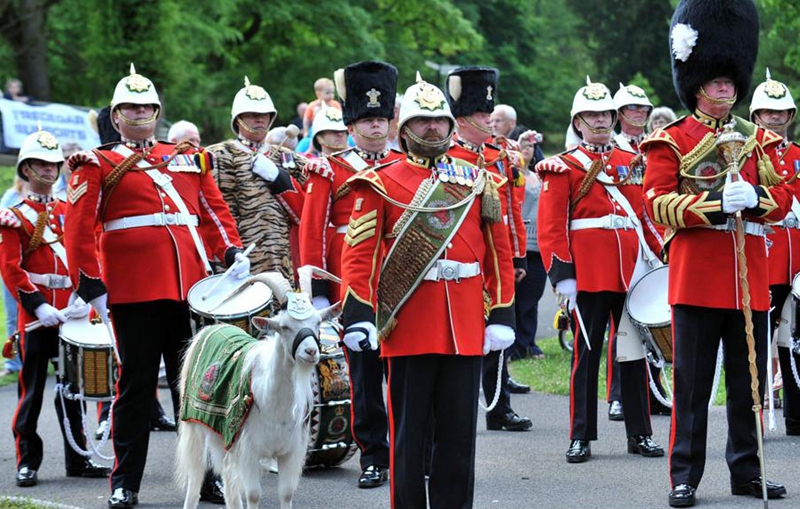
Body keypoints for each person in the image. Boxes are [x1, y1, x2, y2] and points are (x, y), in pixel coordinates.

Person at [63, 64, 249, 509]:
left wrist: (231, 252)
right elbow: (77, 228)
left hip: (188, 288)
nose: (140, 112)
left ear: (158, 110)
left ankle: (205, 479)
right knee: (137, 388)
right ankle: (124, 482)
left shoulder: (187, 156)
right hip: (132, 289)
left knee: (195, 390)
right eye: (131, 106)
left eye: (147, 105)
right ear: (116, 113)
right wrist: (91, 282)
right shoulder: (98, 162)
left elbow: (212, 211)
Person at [339, 73, 516, 509]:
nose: (433, 128)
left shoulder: (478, 180)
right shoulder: (379, 181)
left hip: (465, 324)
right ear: (405, 130)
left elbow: (499, 254)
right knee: (409, 436)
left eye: (439, 120)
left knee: (459, 438)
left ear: (451, 126)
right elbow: (358, 255)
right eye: (423, 122)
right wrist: (358, 312)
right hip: (409, 325)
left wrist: (503, 314)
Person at [642, 1, 789, 505]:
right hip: (698, 276)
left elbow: (787, 198)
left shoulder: (759, 141)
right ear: (696, 82)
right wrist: (712, 204)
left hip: (750, 274)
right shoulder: (671, 140)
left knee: (749, 386)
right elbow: (657, 203)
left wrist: (759, 200)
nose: (725, 87)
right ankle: (684, 475)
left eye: (731, 79)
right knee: (693, 388)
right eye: (716, 80)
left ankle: (747, 471)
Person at [536, 77, 663, 464]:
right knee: (586, 358)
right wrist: (563, 276)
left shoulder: (631, 163)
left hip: (630, 273)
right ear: (578, 122)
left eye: (606, 113)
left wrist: (663, 259)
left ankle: (640, 433)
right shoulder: (563, 166)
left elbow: (644, 217)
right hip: (588, 275)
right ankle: (580, 436)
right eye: (591, 114)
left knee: (633, 353)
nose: (601, 120)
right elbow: (552, 227)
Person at [300, 60, 402, 489]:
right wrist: (320, 291)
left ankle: (408, 451)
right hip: (351, 285)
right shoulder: (332, 167)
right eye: (366, 120)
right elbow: (312, 231)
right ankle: (373, 456)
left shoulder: (406, 162)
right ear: (351, 124)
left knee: (406, 376)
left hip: (402, 280)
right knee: (363, 377)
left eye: (381, 119)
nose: (375, 128)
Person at [0, 127, 110, 488]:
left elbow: (90, 253)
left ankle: (78, 458)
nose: (50, 170)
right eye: (41, 165)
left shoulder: (69, 209)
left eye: (54, 164)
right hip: (38, 316)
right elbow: (11, 269)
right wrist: (38, 305)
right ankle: (27, 462)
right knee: (31, 393)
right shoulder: (14, 215)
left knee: (73, 390)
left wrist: (82, 297)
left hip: (74, 313)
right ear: (26, 168)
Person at [445, 66, 532, 432]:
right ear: (463, 118)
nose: (489, 121)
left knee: (499, 328)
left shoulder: (500, 155)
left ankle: (499, 406)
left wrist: (518, 254)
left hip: (497, 260)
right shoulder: (449, 156)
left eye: (489, 114)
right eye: (482, 115)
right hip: (462, 261)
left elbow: (511, 211)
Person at [206, 77, 305, 283]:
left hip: (282, 253)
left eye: (264, 115)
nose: (259, 119)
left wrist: (280, 177)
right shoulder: (218, 155)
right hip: (240, 254)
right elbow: (213, 210)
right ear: (238, 119)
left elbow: (309, 207)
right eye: (252, 115)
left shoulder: (288, 157)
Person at [611, 83, 671, 419]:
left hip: (653, 243)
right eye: (633, 109)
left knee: (651, 320)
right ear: (619, 115)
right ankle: (619, 394)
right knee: (623, 324)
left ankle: (653, 389)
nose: (639, 114)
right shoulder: (613, 148)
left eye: (643, 109)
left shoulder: (651, 147)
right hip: (628, 245)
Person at [750, 68, 800, 436]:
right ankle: (753, 415)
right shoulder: (745, 154)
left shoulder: (798, 154)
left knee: (794, 339)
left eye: (782, 112)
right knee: (755, 339)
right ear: (756, 117)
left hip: (796, 256)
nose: (777, 118)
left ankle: (796, 416)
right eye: (769, 112)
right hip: (763, 256)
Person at [513, 131, 547, 360]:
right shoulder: (511, 176)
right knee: (515, 298)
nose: (526, 150)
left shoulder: (540, 176)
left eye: (530, 147)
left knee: (532, 297)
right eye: (522, 146)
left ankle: (529, 342)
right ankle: (514, 346)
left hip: (538, 245)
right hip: (518, 243)